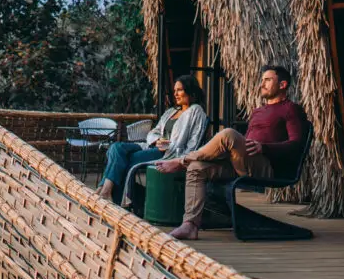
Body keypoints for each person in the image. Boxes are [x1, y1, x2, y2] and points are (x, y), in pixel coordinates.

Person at [155, 65, 307, 241]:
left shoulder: (290, 109)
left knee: (228, 134)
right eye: (262, 80)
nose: (262, 84)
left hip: (267, 166)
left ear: (282, 85)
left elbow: (296, 145)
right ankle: (190, 225)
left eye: (268, 80)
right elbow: (246, 143)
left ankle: (181, 161)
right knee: (197, 167)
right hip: (242, 163)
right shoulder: (258, 111)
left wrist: (264, 148)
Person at [96, 75, 208, 203]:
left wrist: (180, 159)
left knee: (122, 159)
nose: (175, 94)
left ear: (190, 91)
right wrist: (157, 140)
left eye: (180, 90)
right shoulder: (171, 111)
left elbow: (194, 143)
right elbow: (153, 132)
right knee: (116, 147)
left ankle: (106, 191)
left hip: (167, 153)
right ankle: (106, 190)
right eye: (175, 90)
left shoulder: (196, 111)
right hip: (151, 146)